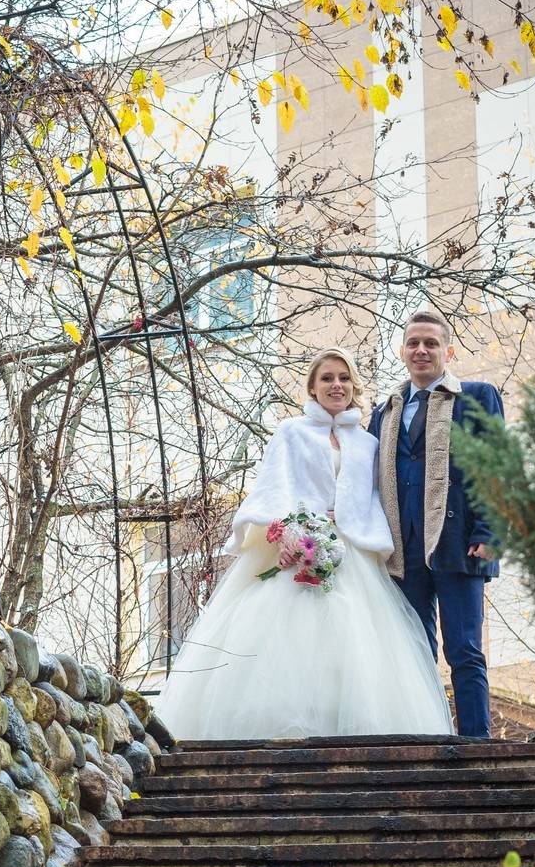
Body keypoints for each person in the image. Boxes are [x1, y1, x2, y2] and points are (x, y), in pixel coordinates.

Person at [156, 349, 453, 742]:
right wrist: (288, 535)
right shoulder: (291, 431)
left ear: (354, 387)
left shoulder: (366, 443)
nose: (336, 386)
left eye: (344, 378)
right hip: (295, 552)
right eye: (327, 378)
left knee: (354, 650)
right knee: (288, 645)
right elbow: (273, 489)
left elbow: (374, 500)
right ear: (312, 387)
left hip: (352, 556)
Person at [369, 308, 503, 738]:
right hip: (402, 549)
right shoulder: (384, 412)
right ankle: (427, 738)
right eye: (413, 343)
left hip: (459, 541)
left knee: (464, 650)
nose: (421, 351)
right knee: (413, 652)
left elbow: (497, 466)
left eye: (431, 343)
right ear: (402, 351)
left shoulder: (478, 396)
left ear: (448, 350)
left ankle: (476, 743)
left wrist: (490, 531)